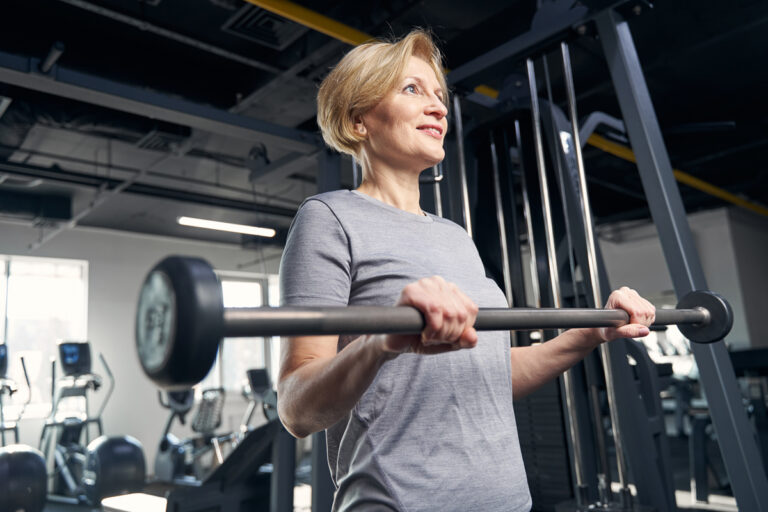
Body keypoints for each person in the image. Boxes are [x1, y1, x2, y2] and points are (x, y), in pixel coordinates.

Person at [277, 29, 655, 512]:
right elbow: (295, 408)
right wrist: (383, 342)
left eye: (439, 94)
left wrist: (591, 332)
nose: (439, 107)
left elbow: (488, 376)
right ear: (358, 121)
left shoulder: (455, 236)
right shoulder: (328, 219)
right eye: (412, 89)